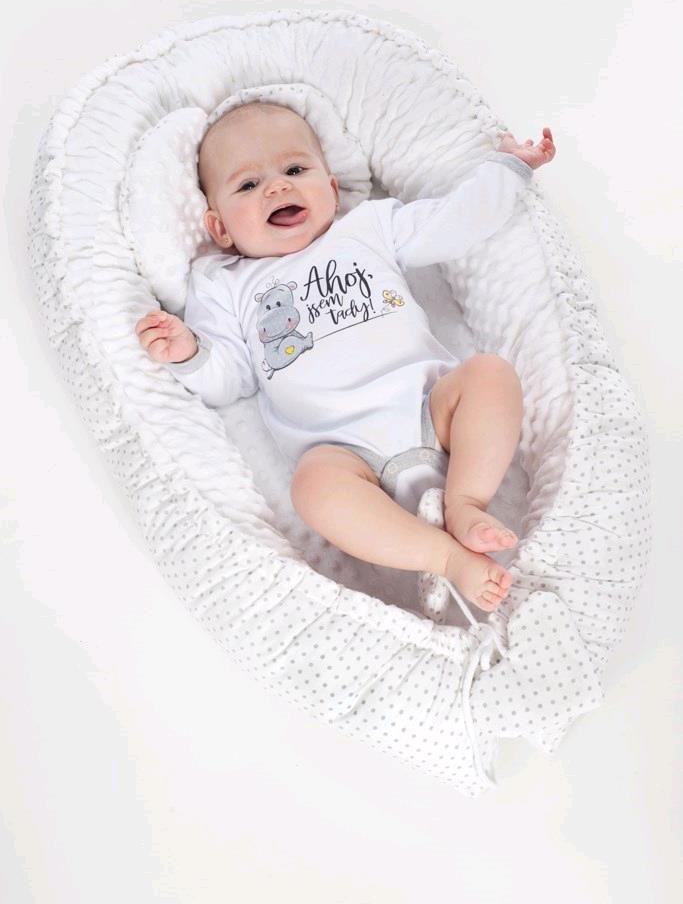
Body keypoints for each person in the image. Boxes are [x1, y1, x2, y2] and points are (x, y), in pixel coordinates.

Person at [135, 101, 556, 612]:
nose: (277, 188)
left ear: (332, 190)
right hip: (345, 453)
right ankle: (445, 557)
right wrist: (187, 353)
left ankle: (465, 501)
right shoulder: (225, 283)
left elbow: (453, 223)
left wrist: (508, 170)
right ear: (219, 228)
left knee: (490, 374)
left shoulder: (368, 228)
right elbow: (231, 378)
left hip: (431, 409)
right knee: (312, 489)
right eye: (248, 184)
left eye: (295, 170)